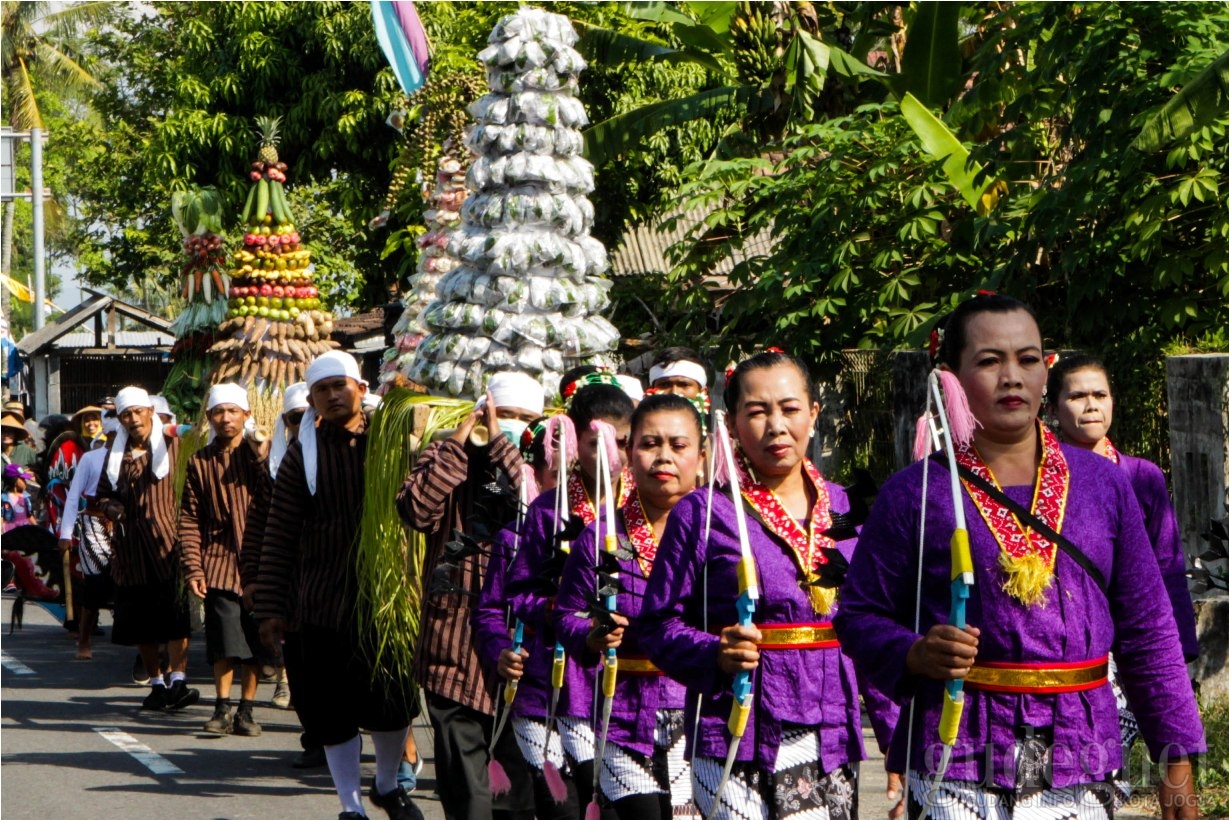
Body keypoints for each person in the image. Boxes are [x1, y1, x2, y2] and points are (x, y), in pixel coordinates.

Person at [834, 293, 1204, 820]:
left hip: (1081, 752)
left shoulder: (1105, 486)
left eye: (1028, 359)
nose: (1012, 376)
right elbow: (858, 615)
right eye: (989, 361)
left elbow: (1148, 629)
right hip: (956, 752)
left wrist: (1177, 763)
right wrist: (913, 652)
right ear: (950, 378)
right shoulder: (914, 493)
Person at [639, 349, 895, 820]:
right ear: (732, 423)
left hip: (832, 731)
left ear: (813, 414)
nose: (776, 425)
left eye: (790, 408)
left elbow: (872, 633)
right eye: (757, 412)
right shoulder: (703, 512)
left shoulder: (846, 507)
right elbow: (656, 625)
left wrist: (896, 740)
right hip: (737, 723)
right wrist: (713, 651)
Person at [255, 351, 422, 820]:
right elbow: (280, 534)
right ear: (310, 400)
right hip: (321, 603)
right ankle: (350, 804)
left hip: (386, 599)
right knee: (332, 710)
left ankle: (387, 785)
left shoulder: (390, 442)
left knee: (392, 702)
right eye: (322, 390)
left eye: (340, 386)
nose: (332, 395)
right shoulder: (299, 459)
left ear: (361, 389)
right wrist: (271, 607)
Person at [1046, 352, 1201, 807]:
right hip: (1073, 649)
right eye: (1077, 395)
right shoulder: (1033, 483)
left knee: (1110, 775)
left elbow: (1168, 566)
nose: (1091, 405)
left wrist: (1179, 657)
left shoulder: (1141, 477)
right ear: (1052, 409)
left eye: (1100, 394)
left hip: (1134, 647)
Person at [399, 370, 544, 820]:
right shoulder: (447, 457)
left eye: (523, 418)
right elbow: (416, 510)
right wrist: (456, 445)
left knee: (513, 788)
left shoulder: (543, 467)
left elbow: (530, 501)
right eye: (504, 414)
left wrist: (505, 445)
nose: (512, 424)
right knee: (466, 788)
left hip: (517, 643)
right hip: (453, 641)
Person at [555, 392, 705, 818]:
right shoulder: (602, 536)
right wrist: (591, 633)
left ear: (701, 452)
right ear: (628, 451)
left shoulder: (724, 532)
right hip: (626, 710)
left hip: (702, 710)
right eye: (649, 444)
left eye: (678, 445)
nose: (663, 457)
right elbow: (568, 614)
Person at [505, 377, 636, 818]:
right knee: (565, 804)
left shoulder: (644, 508)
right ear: (574, 440)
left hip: (630, 680)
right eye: (599, 442)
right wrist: (558, 607)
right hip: (558, 681)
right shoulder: (549, 509)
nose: (612, 456)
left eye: (623, 442)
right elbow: (518, 592)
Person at [95, 386, 199, 712]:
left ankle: (178, 681)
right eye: (126, 414)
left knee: (176, 617)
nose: (133, 418)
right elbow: (101, 495)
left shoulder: (175, 446)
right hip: (131, 551)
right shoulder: (115, 453)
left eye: (139, 411)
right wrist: (112, 509)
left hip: (171, 546)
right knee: (143, 622)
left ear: (151, 412)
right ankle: (156, 684)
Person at [180, 383, 268, 738]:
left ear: (246, 415)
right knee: (223, 636)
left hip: (261, 559)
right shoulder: (199, 461)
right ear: (209, 418)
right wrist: (193, 566)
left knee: (254, 639)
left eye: (233, 411)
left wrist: (261, 455)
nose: (226, 418)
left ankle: (247, 710)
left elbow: (277, 494)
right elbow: (189, 518)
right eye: (219, 412)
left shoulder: (261, 455)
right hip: (217, 560)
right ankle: (222, 706)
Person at [240, 382, 320, 763]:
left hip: (336, 580)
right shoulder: (273, 471)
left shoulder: (352, 452)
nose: (306, 422)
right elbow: (259, 529)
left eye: (311, 415)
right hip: (290, 580)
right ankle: (317, 738)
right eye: (296, 417)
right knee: (304, 664)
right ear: (285, 423)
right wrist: (254, 578)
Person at [58, 428, 114, 660]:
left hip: (127, 523)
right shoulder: (91, 458)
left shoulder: (137, 456)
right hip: (93, 523)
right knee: (95, 581)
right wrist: (66, 532)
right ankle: (84, 638)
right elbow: (73, 496)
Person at [3, 463, 36, 532]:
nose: (25, 482)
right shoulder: (4, 498)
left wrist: (38, 529)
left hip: (25, 532)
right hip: (10, 533)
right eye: (22, 479)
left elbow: (29, 515)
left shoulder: (26, 497)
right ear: (15, 481)